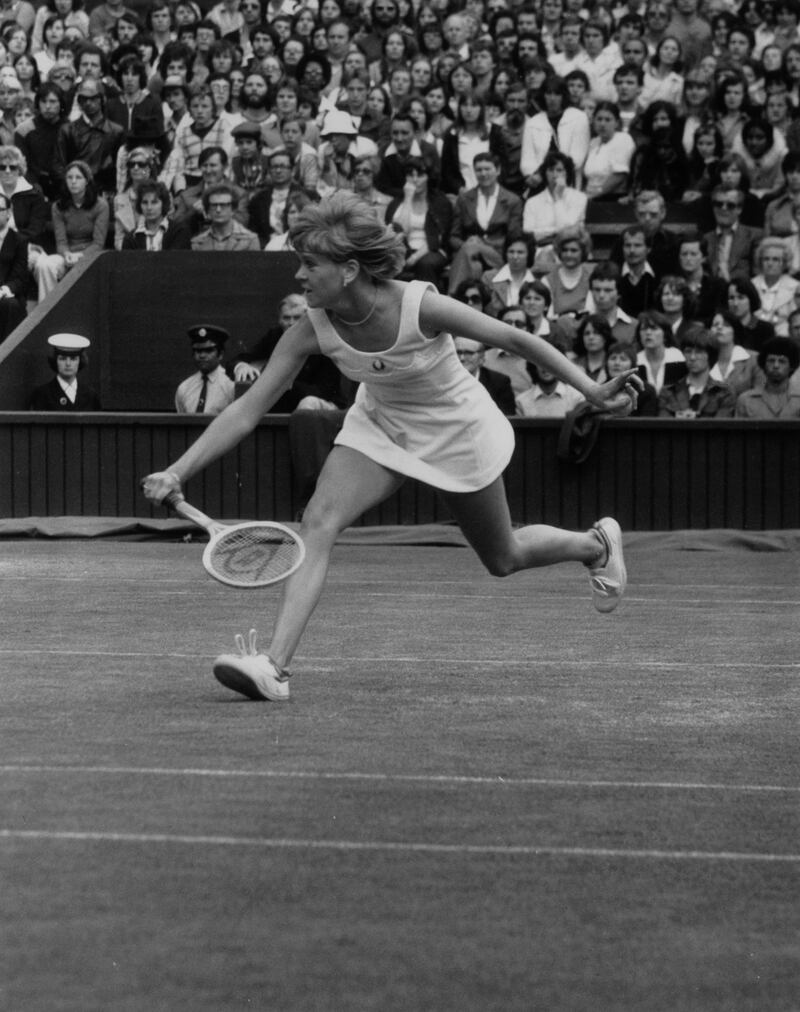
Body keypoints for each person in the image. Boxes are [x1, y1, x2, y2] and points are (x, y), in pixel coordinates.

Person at [142, 192, 640, 702]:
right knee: (317, 521)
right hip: (380, 426)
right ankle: (275, 666)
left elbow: (515, 340)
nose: (299, 276)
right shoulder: (309, 329)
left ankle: (595, 545)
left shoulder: (419, 305)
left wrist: (592, 389)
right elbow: (246, 410)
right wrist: (180, 469)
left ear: (350, 269)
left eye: (310, 264)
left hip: (456, 431)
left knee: (503, 557)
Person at [447, 150, 523, 295]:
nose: (483, 173)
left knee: (472, 248)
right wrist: (467, 245)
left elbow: (514, 237)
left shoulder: (512, 200)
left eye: (487, 169)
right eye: (479, 170)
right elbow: (453, 237)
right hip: (470, 254)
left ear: (498, 170)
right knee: (472, 260)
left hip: (497, 254)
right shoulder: (464, 199)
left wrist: (479, 244)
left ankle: (452, 296)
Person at [33, 159, 109, 301]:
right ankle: (46, 314)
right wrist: (67, 254)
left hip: (91, 255)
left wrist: (80, 256)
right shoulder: (58, 206)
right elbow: (61, 241)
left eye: (78, 177)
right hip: (66, 255)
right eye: (69, 177)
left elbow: (98, 243)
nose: (73, 181)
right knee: (44, 265)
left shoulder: (101, 205)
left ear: (87, 181)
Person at [385, 154, 452, 289]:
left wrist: (415, 257)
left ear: (428, 177)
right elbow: (400, 231)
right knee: (390, 262)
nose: (415, 180)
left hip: (432, 250)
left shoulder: (439, 201)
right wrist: (408, 198)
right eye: (410, 175)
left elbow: (437, 239)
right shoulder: (396, 203)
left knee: (425, 263)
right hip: (403, 249)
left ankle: (428, 306)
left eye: (420, 175)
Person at [658, 326, 737, 418]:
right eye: (688, 351)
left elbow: (721, 427)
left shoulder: (724, 393)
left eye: (699, 352)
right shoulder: (668, 392)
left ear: (710, 355)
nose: (692, 357)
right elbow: (663, 425)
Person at [515, 337, 586, 418]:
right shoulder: (522, 401)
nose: (546, 368)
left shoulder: (576, 398)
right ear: (533, 365)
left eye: (550, 362)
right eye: (540, 362)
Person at [174, 323, 236, 414]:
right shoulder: (184, 388)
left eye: (208, 350)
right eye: (198, 351)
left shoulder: (230, 386)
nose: (202, 355)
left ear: (221, 354)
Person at [28, 332, 101, 409]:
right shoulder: (42, 394)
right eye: (62, 359)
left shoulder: (91, 396)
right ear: (55, 361)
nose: (68, 363)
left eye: (73, 359)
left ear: (80, 361)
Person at [735, 335, 800, 416]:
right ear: (763, 364)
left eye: (782, 361)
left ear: (791, 366)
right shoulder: (746, 400)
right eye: (771, 360)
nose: (776, 365)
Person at [120, 179, 192, 249]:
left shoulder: (179, 232)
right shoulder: (131, 239)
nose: (149, 207)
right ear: (139, 205)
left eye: (154, 202)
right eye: (145, 202)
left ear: (163, 203)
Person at [453, 335, 516, 414]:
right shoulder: (442, 381)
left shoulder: (499, 382)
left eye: (468, 353)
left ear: (481, 358)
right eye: (458, 352)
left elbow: (508, 417)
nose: (462, 358)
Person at [190, 181, 260, 250]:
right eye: (214, 205)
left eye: (223, 205)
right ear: (208, 210)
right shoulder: (198, 243)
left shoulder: (250, 240)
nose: (218, 210)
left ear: (233, 209)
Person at [635, 309, 687, 394]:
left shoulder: (677, 357)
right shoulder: (636, 361)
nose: (648, 333)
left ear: (665, 334)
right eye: (644, 329)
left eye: (654, 328)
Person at [0, 188, 27, 340]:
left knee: (9, 306)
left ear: (9, 213)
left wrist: (4, 290)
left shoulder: (19, 241)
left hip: (7, 295)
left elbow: (20, 279)